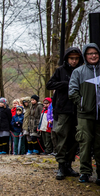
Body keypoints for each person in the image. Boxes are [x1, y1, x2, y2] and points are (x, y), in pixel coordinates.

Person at [47, 47, 84, 180]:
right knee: (61, 136)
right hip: (63, 109)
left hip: (79, 109)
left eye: (76, 58)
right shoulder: (60, 70)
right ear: (67, 59)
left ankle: (68, 165)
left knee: (75, 138)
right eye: (71, 58)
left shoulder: (82, 71)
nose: (74, 61)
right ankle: (61, 166)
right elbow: (49, 84)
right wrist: (64, 84)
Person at [69, 43, 100, 184]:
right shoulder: (78, 72)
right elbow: (72, 91)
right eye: (90, 53)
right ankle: (85, 172)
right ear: (85, 56)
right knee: (85, 143)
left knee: (99, 145)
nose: (93, 56)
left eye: (95, 53)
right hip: (84, 115)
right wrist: (82, 104)